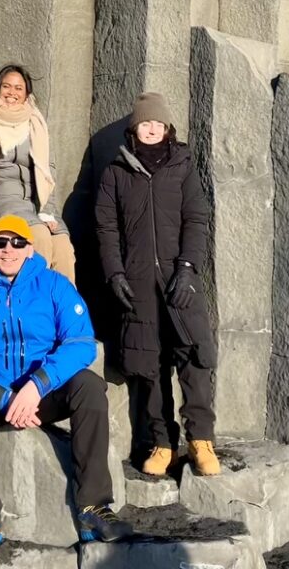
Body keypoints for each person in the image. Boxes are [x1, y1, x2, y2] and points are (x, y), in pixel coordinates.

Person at [0, 214, 132, 562]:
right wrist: (1, 395)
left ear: (29, 249)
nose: (8, 250)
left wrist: (37, 385)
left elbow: (81, 342)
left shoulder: (54, 286)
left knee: (90, 386)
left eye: (17, 243)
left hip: (42, 392)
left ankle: (93, 507)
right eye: (0, 242)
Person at [94, 92, 220, 478]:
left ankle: (201, 441)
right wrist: (114, 273)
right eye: (145, 123)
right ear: (135, 128)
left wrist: (187, 267)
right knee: (148, 366)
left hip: (178, 279)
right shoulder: (116, 171)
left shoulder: (182, 166)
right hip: (136, 283)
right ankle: (162, 443)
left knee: (193, 357)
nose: (151, 129)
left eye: (158, 124)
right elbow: (106, 227)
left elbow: (197, 219)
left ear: (168, 129)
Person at [0, 64, 76, 283]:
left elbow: (48, 171)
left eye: (19, 88)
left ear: (27, 93)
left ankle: (64, 313)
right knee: (38, 236)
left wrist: (48, 209)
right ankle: (32, 307)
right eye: (6, 86)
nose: (12, 92)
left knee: (63, 247)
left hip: (34, 203)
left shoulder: (36, 121)